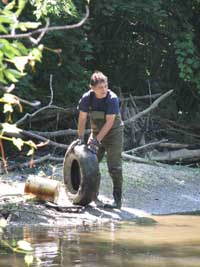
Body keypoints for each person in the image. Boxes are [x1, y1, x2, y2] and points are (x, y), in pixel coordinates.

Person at [76, 71, 124, 209]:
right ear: (92, 88)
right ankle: (92, 195)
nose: (104, 90)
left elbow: (109, 123)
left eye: (106, 86)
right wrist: (80, 138)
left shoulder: (112, 98)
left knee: (114, 166)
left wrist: (96, 141)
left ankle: (117, 201)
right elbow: (82, 118)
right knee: (90, 165)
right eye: (100, 87)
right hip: (97, 133)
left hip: (114, 134)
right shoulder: (87, 98)